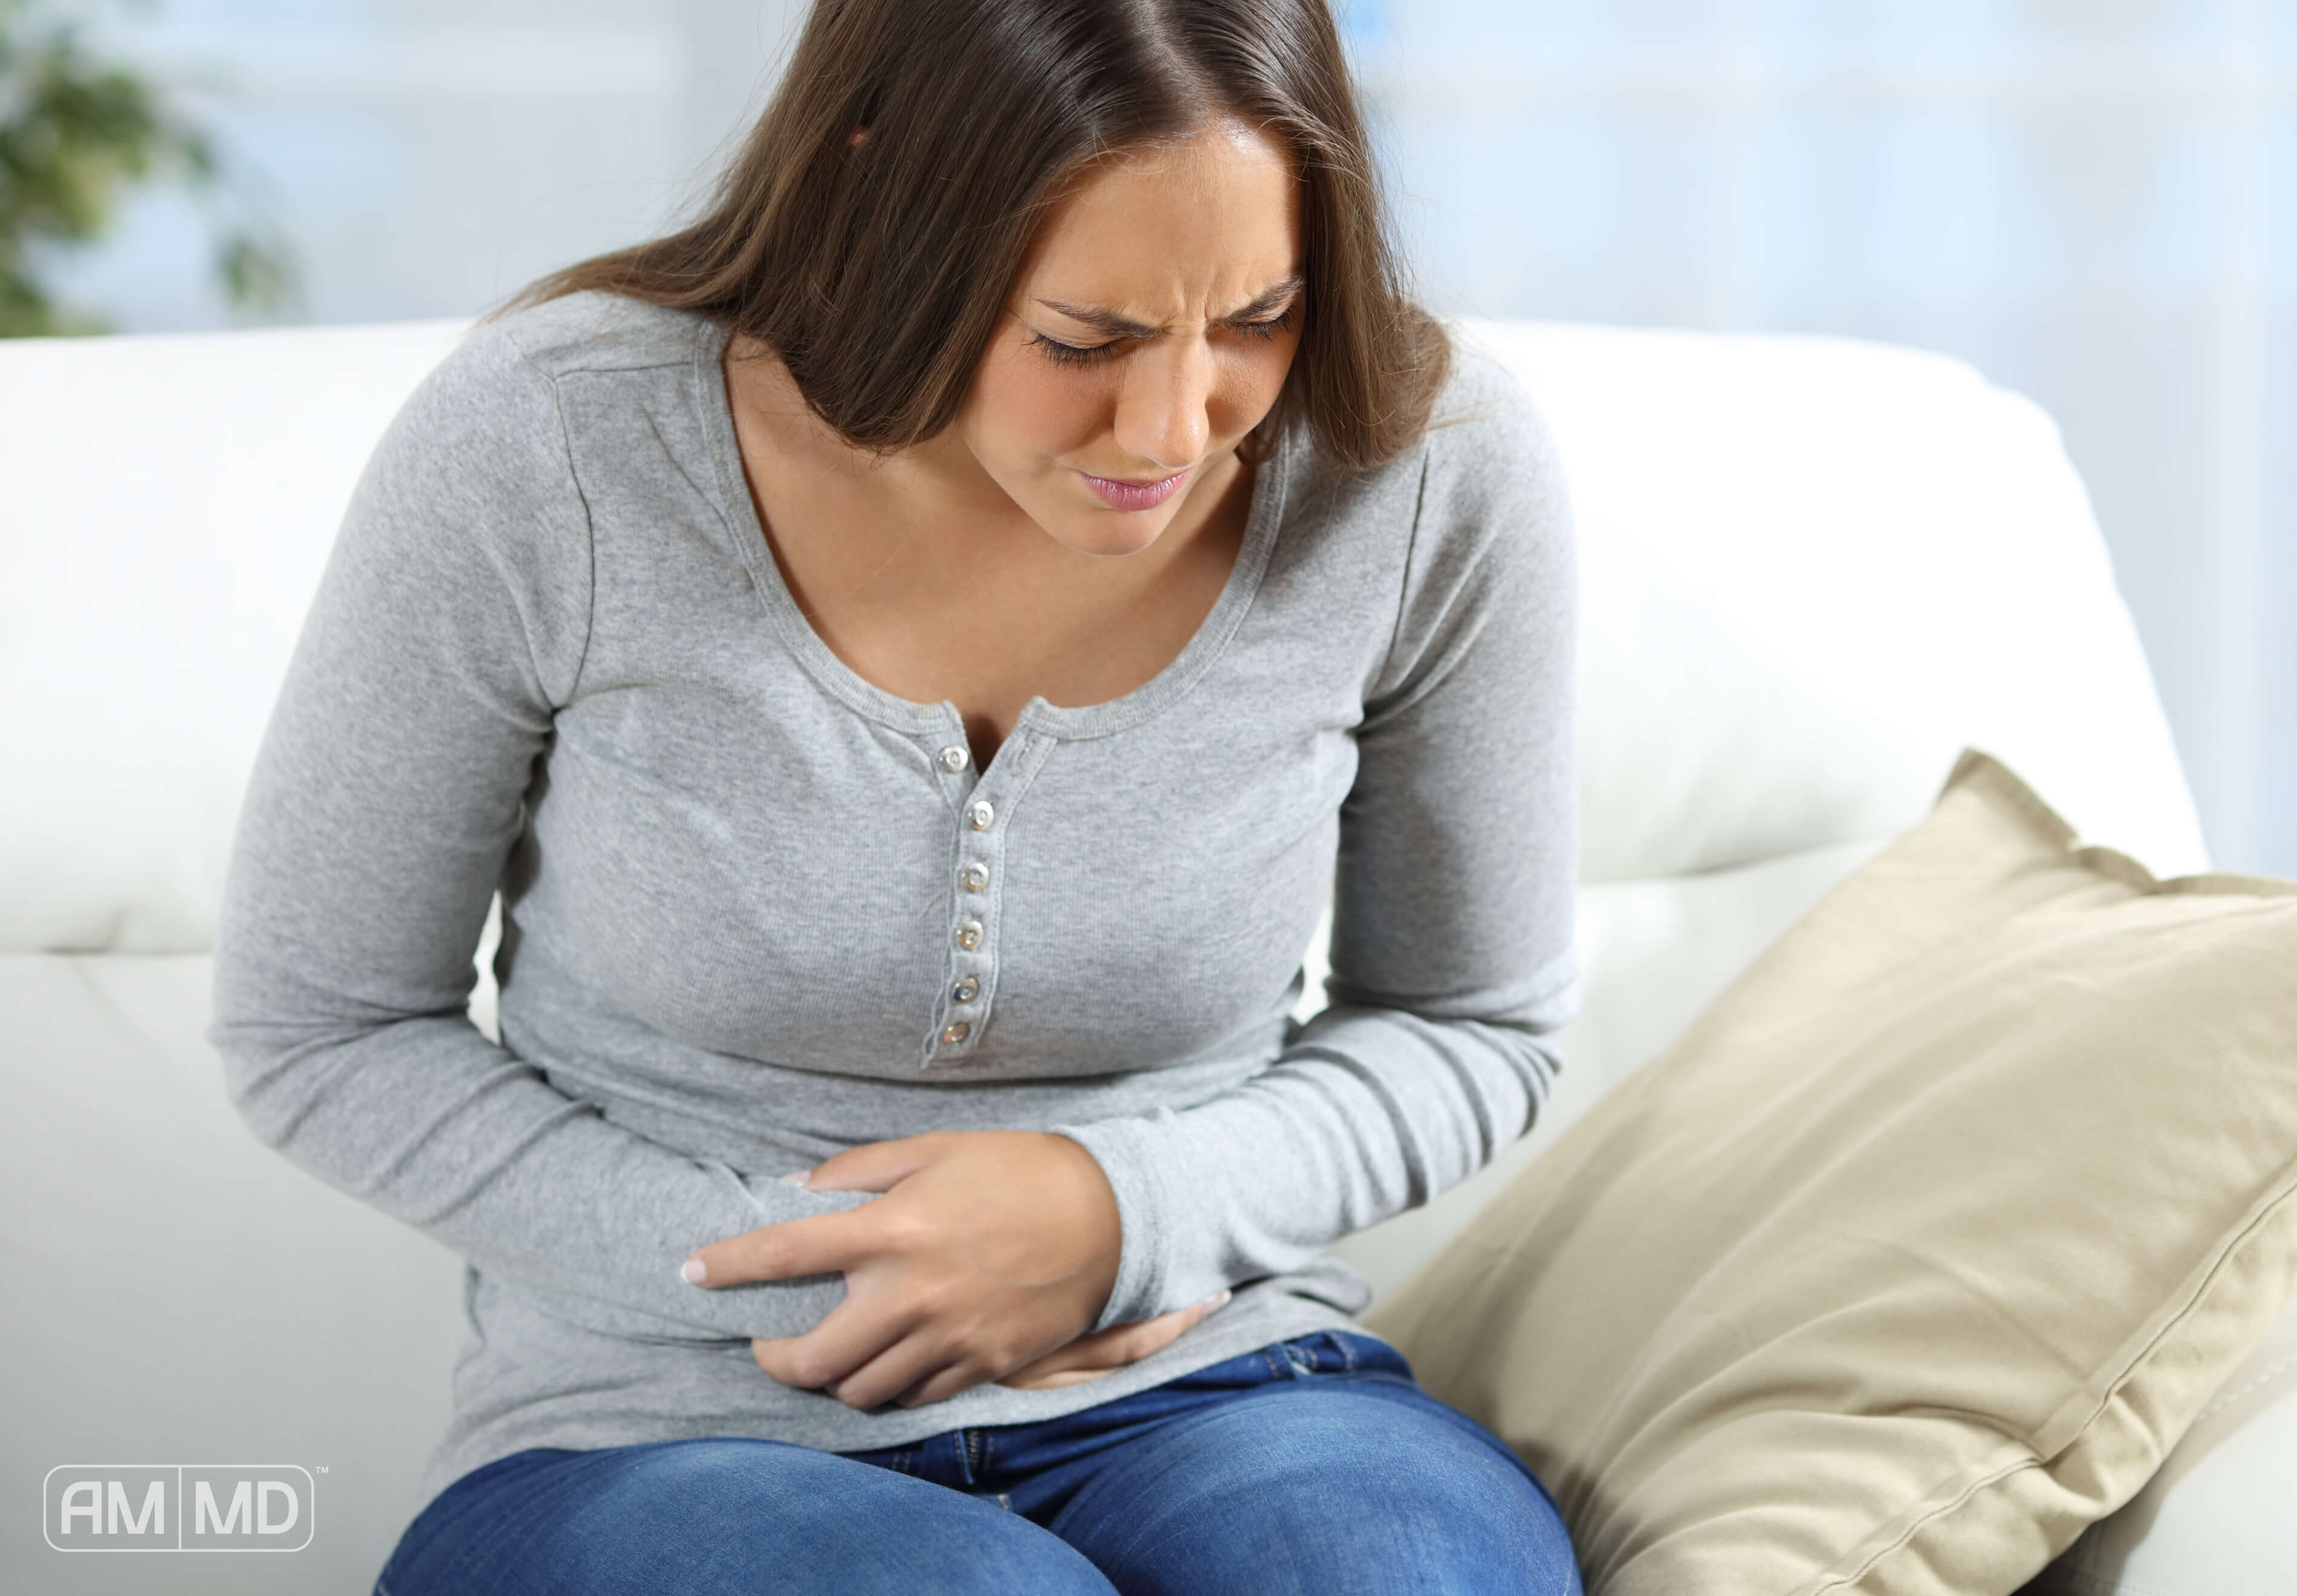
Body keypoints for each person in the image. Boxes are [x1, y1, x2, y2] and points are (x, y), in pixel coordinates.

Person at [207, 0, 1583, 1590]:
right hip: (653, 1431)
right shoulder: (557, 447)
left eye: (1259, 319)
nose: (1174, 427)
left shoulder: (1423, 473)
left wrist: (1119, 1217)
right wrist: (852, 1279)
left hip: (1221, 1381)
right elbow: (323, 1029)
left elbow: (1475, 1020)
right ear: (891, 193)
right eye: (1087, 340)